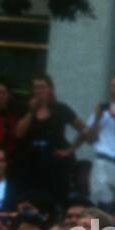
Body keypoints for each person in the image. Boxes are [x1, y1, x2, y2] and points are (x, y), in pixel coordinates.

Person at [14, 74, 87, 214]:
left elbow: (83, 129)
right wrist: (31, 111)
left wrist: (70, 150)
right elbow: (19, 133)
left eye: (42, 87)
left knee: (57, 204)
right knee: (32, 202)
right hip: (33, 166)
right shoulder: (27, 109)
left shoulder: (61, 109)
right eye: (35, 87)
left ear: (50, 89)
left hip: (57, 166)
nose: (38, 91)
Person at [84, 74, 115, 212]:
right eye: (113, 86)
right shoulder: (101, 111)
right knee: (100, 206)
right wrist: (97, 117)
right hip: (102, 161)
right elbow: (89, 139)